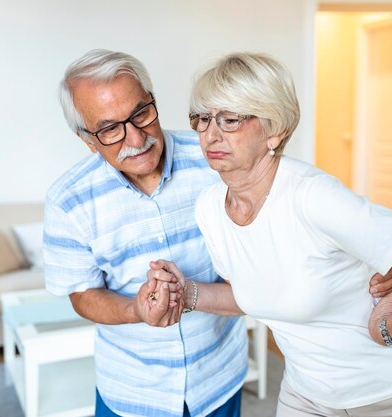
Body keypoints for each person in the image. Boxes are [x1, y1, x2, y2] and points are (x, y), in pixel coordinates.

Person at [157, 52, 392, 417]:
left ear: (275, 129)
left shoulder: (314, 197)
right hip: (305, 393)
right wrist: (185, 294)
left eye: (230, 119)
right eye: (201, 119)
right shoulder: (210, 207)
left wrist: (388, 330)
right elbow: (254, 293)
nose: (210, 134)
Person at [42, 49, 249, 417]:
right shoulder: (67, 201)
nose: (136, 139)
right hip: (131, 391)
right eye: (109, 129)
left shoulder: (212, 161)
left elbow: (256, 259)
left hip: (217, 377)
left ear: (153, 101)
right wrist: (135, 309)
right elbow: (82, 294)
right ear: (87, 139)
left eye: (140, 114)